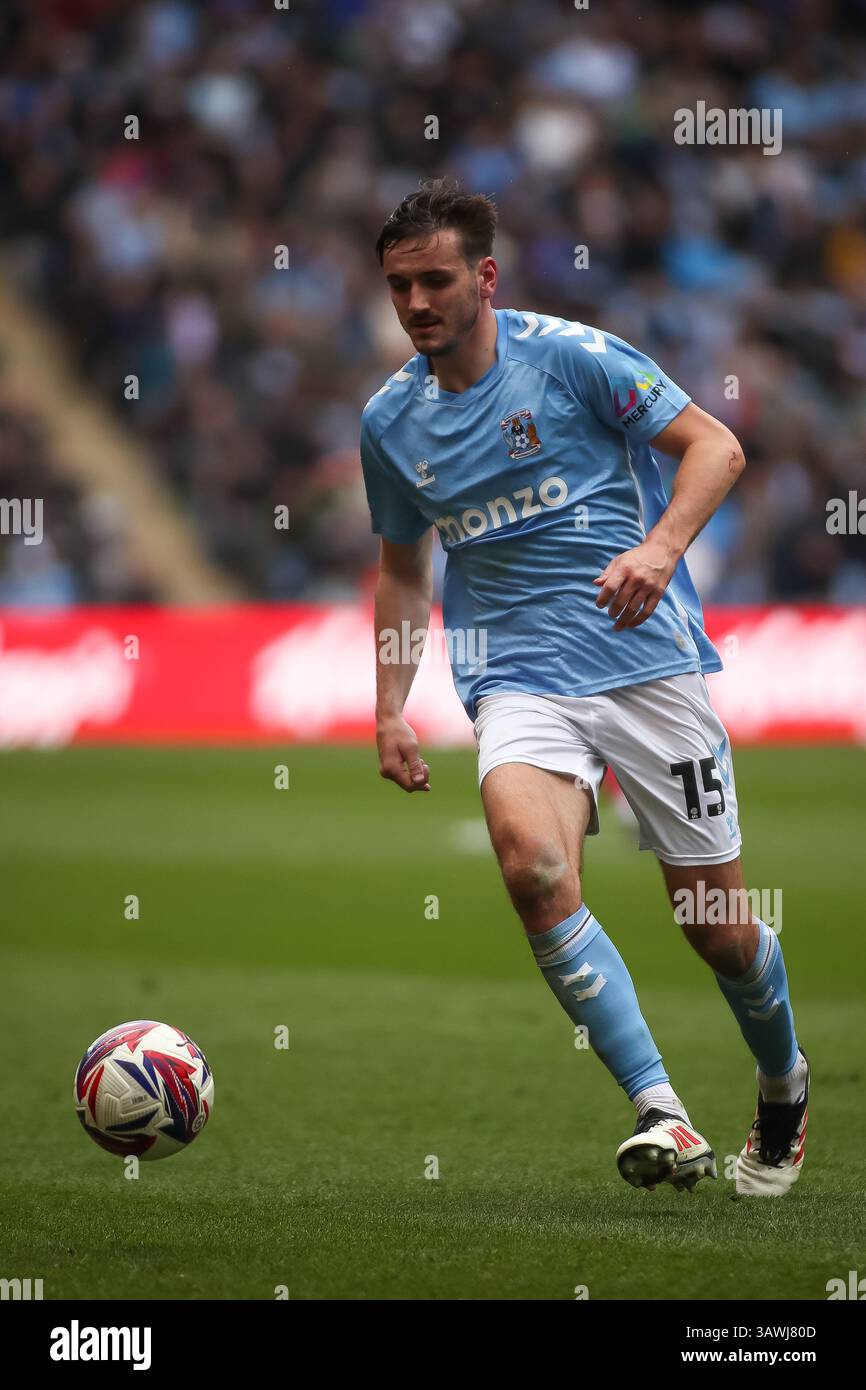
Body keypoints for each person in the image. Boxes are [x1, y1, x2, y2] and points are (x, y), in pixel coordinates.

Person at [359, 178, 808, 1196]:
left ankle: (781, 1080)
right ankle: (662, 1111)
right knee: (532, 871)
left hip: (646, 665)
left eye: (435, 280)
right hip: (516, 677)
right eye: (398, 286)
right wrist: (390, 704)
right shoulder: (390, 421)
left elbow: (716, 445)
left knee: (719, 933)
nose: (417, 303)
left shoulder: (572, 357)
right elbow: (399, 567)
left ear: (484, 276)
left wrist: (658, 548)